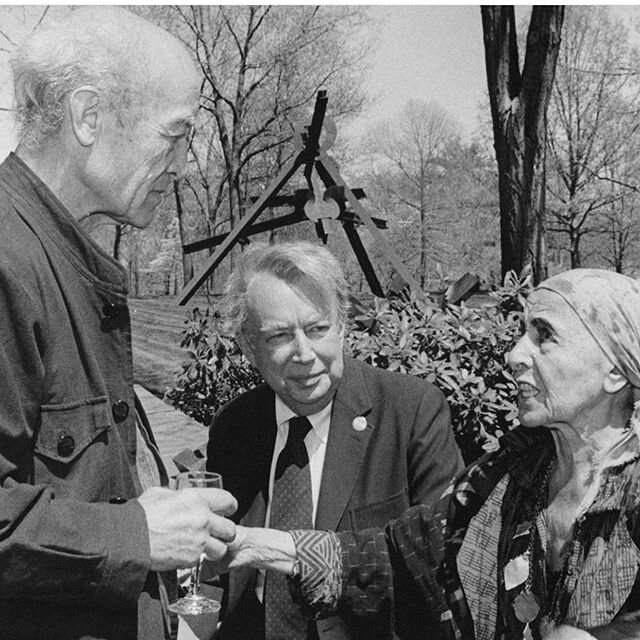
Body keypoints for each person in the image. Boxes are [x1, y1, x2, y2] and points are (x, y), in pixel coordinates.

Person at [213, 268, 640, 640]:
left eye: (544, 336)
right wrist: (247, 543)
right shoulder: (504, 478)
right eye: (522, 333)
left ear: (616, 371)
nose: (514, 355)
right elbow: (392, 556)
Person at [0, 7, 236, 640]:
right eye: (176, 134)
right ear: (88, 116)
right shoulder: (8, 261)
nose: (185, 165)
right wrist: (139, 534)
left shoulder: (53, 251)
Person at [204, 241, 464, 640]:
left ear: (343, 325)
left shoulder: (411, 411)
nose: (304, 353)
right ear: (248, 347)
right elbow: (217, 568)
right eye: (279, 336)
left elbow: (445, 560)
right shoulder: (235, 426)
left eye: (317, 329)